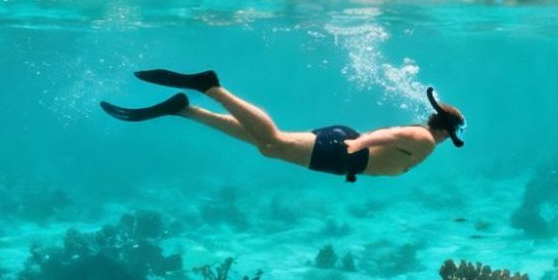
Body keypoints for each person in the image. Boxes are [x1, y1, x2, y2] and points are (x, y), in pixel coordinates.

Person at [100, 69, 464, 182]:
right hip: (347, 152)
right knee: (271, 143)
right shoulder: (423, 139)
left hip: (347, 157)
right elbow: (390, 135)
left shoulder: (425, 139)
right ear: (447, 130)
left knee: (268, 146)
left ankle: (186, 110)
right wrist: (359, 145)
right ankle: (211, 88)